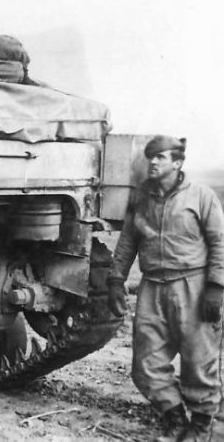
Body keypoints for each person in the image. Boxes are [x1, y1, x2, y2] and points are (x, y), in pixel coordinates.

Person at [107, 135, 224, 442]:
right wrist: (116, 279)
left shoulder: (200, 196)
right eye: (151, 157)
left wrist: (215, 285)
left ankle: (200, 426)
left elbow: (218, 242)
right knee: (146, 361)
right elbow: (127, 242)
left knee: (199, 359)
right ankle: (173, 416)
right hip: (152, 287)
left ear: (178, 162)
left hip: (193, 284)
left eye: (161, 157)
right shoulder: (141, 198)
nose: (153, 162)